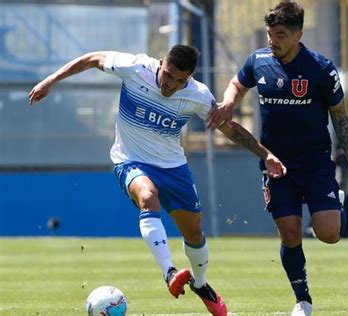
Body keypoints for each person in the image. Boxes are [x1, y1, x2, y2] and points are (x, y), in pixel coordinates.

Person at [28, 45, 287, 316]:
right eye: (168, 75)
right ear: (161, 63)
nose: (171, 85)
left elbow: (229, 128)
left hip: (173, 167)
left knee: (195, 234)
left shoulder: (198, 95)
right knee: (147, 197)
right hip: (130, 159)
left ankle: (200, 285)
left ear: (189, 78)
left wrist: (265, 155)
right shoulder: (135, 68)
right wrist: (50, 81)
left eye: (180, 80)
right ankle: (169, 273)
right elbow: (92, 59)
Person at [206, 2, 348, 315]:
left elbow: (339, 115)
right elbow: (237, 84)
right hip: (276, 163)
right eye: (271, 34)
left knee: (329, 234)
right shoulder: (258, 61)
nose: (273, 41)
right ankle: (303, 301)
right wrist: (229, 103)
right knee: (289, 231)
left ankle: (332, 201)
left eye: (281, 35)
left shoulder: (321, 68)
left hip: (315, 163)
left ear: (299, 34)